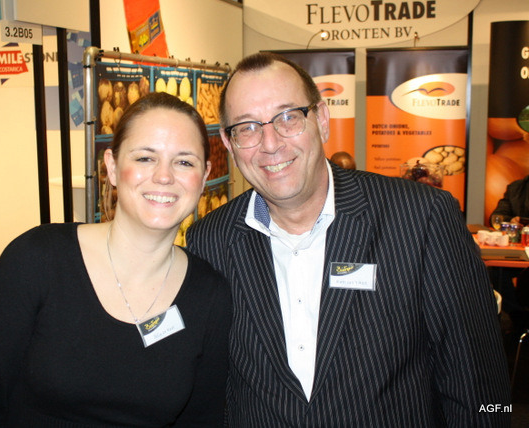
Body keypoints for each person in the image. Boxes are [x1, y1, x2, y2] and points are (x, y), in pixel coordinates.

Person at [186, 52, 510, 426]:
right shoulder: (209, 242)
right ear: (229, 144)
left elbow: (481, 391)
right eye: (247, 127)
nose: (270, 143)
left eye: (288, 117)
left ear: (322, 120)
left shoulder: (421, 218)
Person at [0, 92, 232, 426]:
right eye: (145, 158)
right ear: (112, 166)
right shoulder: (38, 259)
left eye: (184, 162)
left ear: (205, 176)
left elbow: (202, 419)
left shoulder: (209, 294)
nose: (164, 176)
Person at [489, 174, 529, 332]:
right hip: (521, 252)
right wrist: (511, 221)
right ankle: (518, 315)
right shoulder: (516, 188)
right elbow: (497, 217)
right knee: (495, 271)